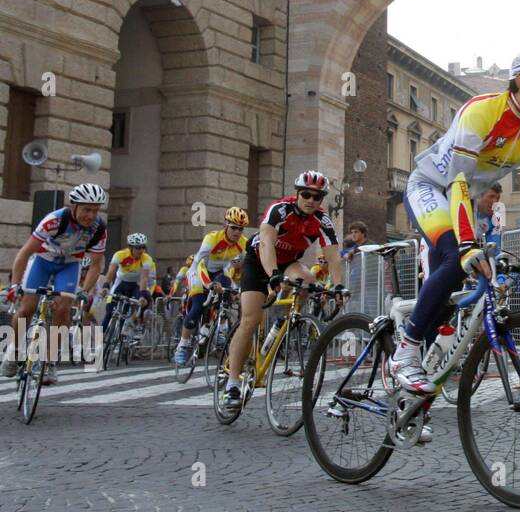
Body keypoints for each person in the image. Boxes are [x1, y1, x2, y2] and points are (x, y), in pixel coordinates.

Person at [391, 46, 520, 393]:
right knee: (457, 252)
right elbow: (457, 180)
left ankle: (432, 337)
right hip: (432, 187)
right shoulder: (483, 111)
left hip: (463, 198)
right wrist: (468, 245)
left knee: (465, 272)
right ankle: (405, 351)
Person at [219, 171, 344, 411]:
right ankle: (233, 382)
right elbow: (266, 242)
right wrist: (273, 276)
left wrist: (337, 286)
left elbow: (333, 256)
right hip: (259, 260)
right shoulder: (279, 210)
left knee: (308, 279)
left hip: (288, 263)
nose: (311, 200)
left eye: (317, 197)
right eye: (306, 194)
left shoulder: (323, 220)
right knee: (251, 319)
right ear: (297, 194)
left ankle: (285, 321)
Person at [3, 183, 109, 381]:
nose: (91, 216)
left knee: (64, 308)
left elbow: (96, 265)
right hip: (43, 261)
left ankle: (50, 361)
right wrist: (15, 285)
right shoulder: (55, 220)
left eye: (95, 210)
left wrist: (85, 291)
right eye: (87, 209)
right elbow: (25, 253)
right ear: (74, 207)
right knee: (27, 309)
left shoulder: (99, 229)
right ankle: (13, 350)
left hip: (69, 265)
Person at [173, 208, 249, 364]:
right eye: (234, 227)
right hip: (200, 271)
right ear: (225, 225)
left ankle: (211, 327)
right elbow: (198, 264)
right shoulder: (212, 238)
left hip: (220, 272)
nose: (237, 232)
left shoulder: (243, 243)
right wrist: (208, 284)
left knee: (226, 287)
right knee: (197, 307)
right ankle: (183, 344)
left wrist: (243, 289)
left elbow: (247, 268)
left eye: (240, 229)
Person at [99, 233, 156, 333]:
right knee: (109, 312)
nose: (141, 250)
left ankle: (124, 336)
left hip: (135, 284)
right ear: (131, 247)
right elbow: (111, 271)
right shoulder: (120, 255)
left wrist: (142, 295)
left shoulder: (147, 259)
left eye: (143, 247)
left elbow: (144, 279)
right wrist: (106, 286)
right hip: (121, 283)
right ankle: (99, 341)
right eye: (138, 248)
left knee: (128, 311)